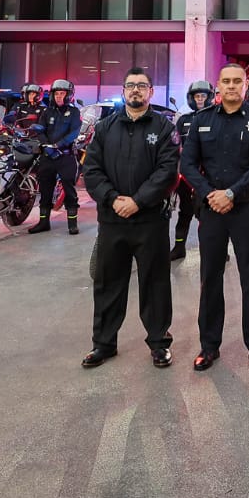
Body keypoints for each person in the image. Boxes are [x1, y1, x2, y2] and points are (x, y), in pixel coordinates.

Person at [180, 63, 249, 372]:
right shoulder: (202, 119)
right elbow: (187, 164)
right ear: (218, 86)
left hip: (245, 208)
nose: (232, 86)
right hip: (211, 209)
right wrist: (210, 193)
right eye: (226, 81)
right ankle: (209, 346)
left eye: (238, 81)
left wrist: (232, 193)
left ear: (246, 85)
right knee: (210, 278)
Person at [79, 67, 179, 369]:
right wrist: (112, 198)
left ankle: (159, 343)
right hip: (113, 221)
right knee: (108, 284)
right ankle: (103, 344)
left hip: (151, 221)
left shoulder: (164, 128)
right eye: (131, 85)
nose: (136, 90)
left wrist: (138, 201)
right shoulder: (105, 128)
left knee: (155, 284)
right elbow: (91, 170)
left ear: (151, 92)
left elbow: (167, 172)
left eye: (142, 85)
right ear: (124, 91)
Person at [23, 79, 82, 235]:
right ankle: (44, 222)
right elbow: (40, 130)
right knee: (45, 189)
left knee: (69, 189)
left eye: (62, 93)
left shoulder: (74, 112)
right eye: (56, 94)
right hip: (48, 156)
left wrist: (58, 145)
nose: (59, 96)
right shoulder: (47, 112)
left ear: (68, 95)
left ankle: (72, 223)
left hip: (66, 156)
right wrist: (47, 146)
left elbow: (74, 133)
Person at [172, 79, 214, 259]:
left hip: (208, 177)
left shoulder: (216, 118)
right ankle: (179, 247)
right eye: (197, 96)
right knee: (185, 212)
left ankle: (213, 249)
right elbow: (174, 145)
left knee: (208, 216)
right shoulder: (183, 120)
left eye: (203, 95)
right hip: (186, 176)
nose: (200, 99)